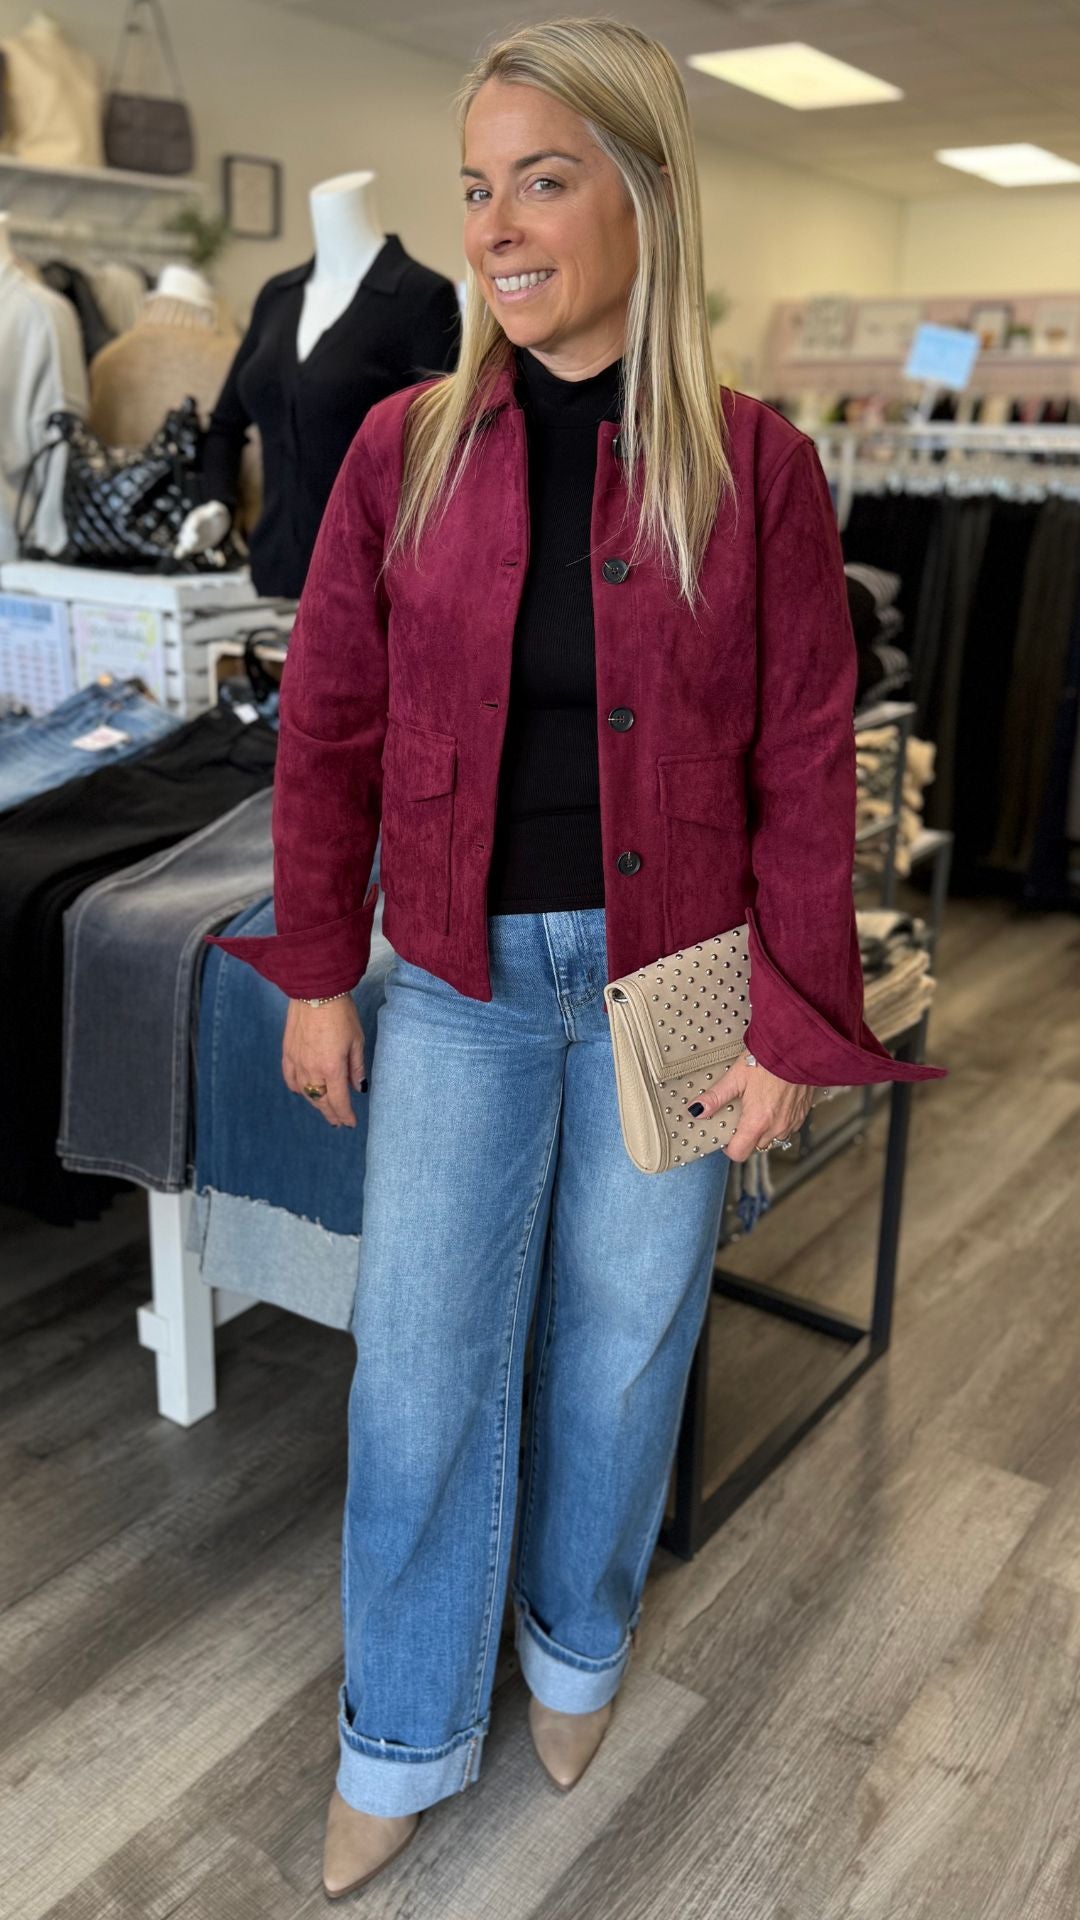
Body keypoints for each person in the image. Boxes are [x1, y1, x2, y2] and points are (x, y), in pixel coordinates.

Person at [207, 15, 945, 1899]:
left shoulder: (755, 469)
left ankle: (580, 1652)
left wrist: (793, 1015)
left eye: (544, 178)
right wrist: (313, 972)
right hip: (455, 978)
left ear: (644, 192)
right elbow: (332, 730)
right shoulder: (406, 448)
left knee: (623, 1357)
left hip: (674, 981)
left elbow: (802, 758)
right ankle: (403, 1726)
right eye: (479, 189)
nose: (502, 227)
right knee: (425, 1372)